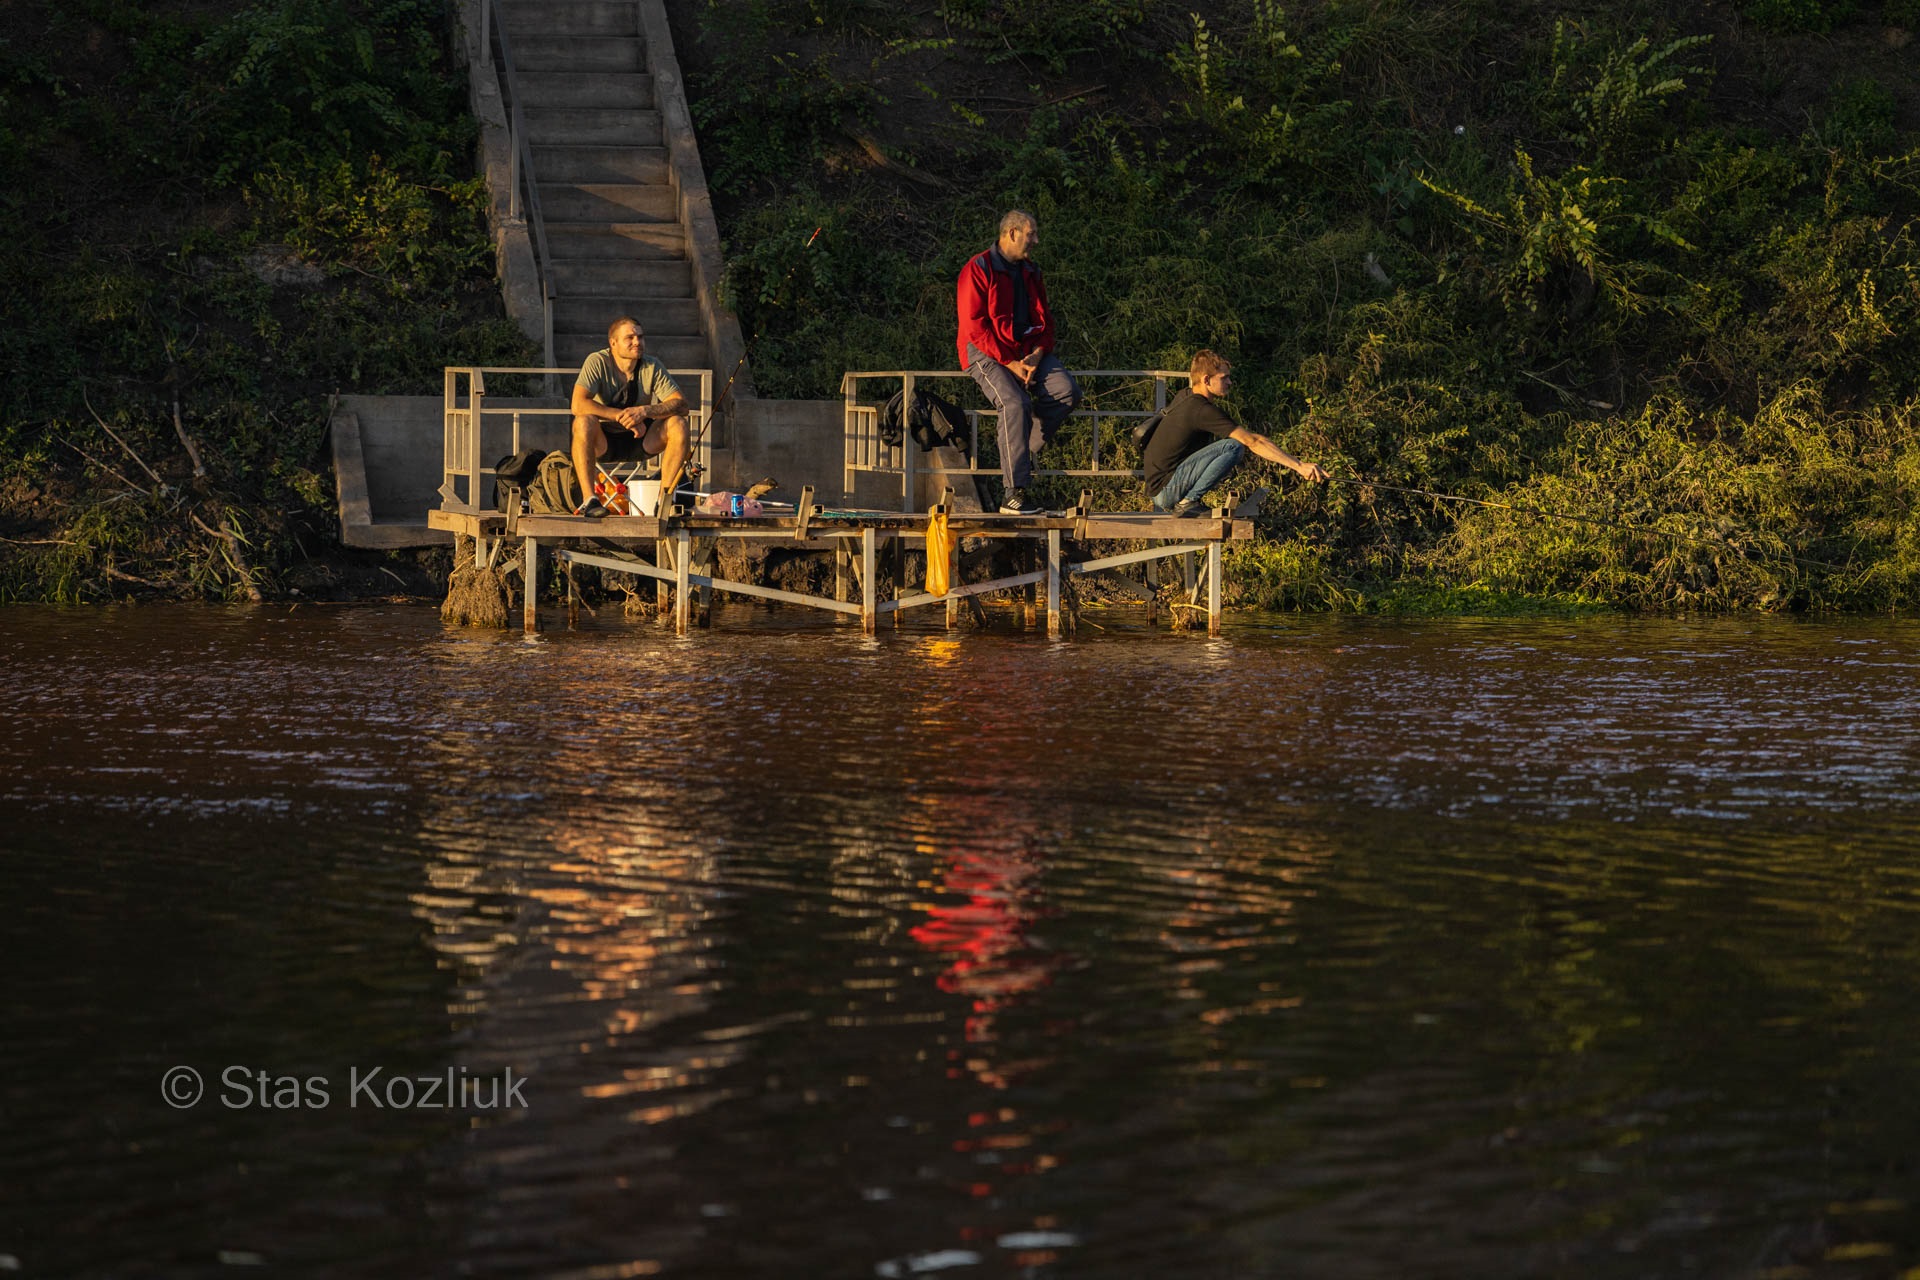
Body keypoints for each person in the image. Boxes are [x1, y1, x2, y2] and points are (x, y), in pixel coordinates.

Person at [956, 210, 1082, 515]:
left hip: (1028, 351)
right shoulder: (977, 268)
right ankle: (1013, 494)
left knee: (1067, 392)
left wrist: (1037, 355)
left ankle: (1017, 457)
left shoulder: (1031, 271)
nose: (1036, 240)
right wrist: (1011, 364)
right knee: (1014, 405)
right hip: (985, 351)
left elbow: (1047, 324)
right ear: (1012, 233)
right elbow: (975, 328)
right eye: (1031, 233)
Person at [1143, 350, 1329, 515]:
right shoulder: (1201, 410)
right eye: (1224, 378)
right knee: (1233, 447)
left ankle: (1188, 502)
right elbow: (1253, 441)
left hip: (1160, 488)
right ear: (1206, 380)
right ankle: (1187, 503)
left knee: (1229, 446)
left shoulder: (1186, 395)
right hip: (1165, 490)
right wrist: (1298, 466)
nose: (1230, 382)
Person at [570, 316, 689, 517]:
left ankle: (664, 500)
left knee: (678, 423)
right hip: (605, 441)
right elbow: (578, 404)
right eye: (630, 337)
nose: (637, 342)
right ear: (613, 343)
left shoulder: (652, 365)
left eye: (640, 337)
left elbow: (681, 404)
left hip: (642, 439)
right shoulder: (596, 361)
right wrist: (621, 416)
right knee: (582, 422)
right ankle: (590, 500)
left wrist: (644, 412)